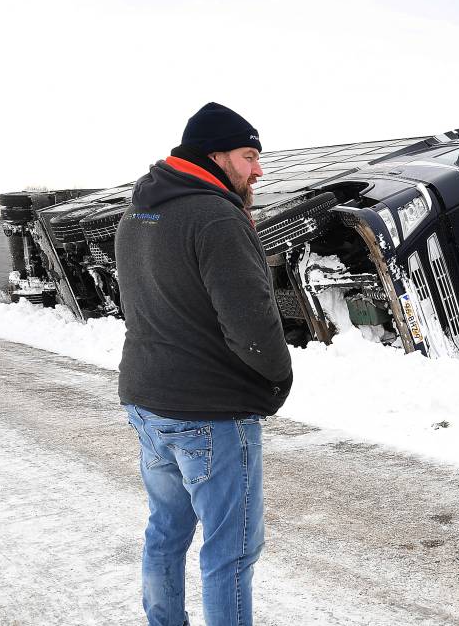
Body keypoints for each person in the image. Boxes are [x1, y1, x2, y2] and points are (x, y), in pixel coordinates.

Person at [116, 102, 293, 626]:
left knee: (166, 532)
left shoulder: (139, 209)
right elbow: (253, 322)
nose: (258, 169)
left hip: (148, 401)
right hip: (209, 411)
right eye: (248, 156)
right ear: (215, 156)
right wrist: (277, 380)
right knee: (230, 553)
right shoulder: (216, 215)